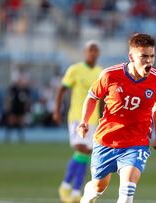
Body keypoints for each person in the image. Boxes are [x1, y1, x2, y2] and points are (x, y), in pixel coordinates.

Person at [78, 33, 156, 203]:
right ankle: (87, 195)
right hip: (107, 139)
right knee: (98, 187)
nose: (149, 61)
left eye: (152, 56)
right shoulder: (110, 75)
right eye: (144, 57)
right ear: (131, 57)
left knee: (127, 191)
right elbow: (92, 96)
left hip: (136, 142)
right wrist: (84, 121)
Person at [53, 41, 103, 203]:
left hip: (94, 119)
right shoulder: (75, 70)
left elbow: (102, 98)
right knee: (81, 148)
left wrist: (103, 117)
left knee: (86, 153)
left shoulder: (101, 73)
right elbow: (61, 90)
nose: (93, 53)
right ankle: (67, 186)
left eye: (95, 51)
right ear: (84, 52)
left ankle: (74, 192)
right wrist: (56, 110)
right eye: (90, 50)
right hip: (77, 117)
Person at [4, 75, 31, 143]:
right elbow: (8, 98)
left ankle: (21, 139)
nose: (23, 82)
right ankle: (7, 138)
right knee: (11, 122)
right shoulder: (13, 89)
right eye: (21, 81)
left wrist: (27, 108)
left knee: (21, 123)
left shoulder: (26, 90)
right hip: (14, 108)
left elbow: (28, 100)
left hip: (21, 109)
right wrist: (7, 107)